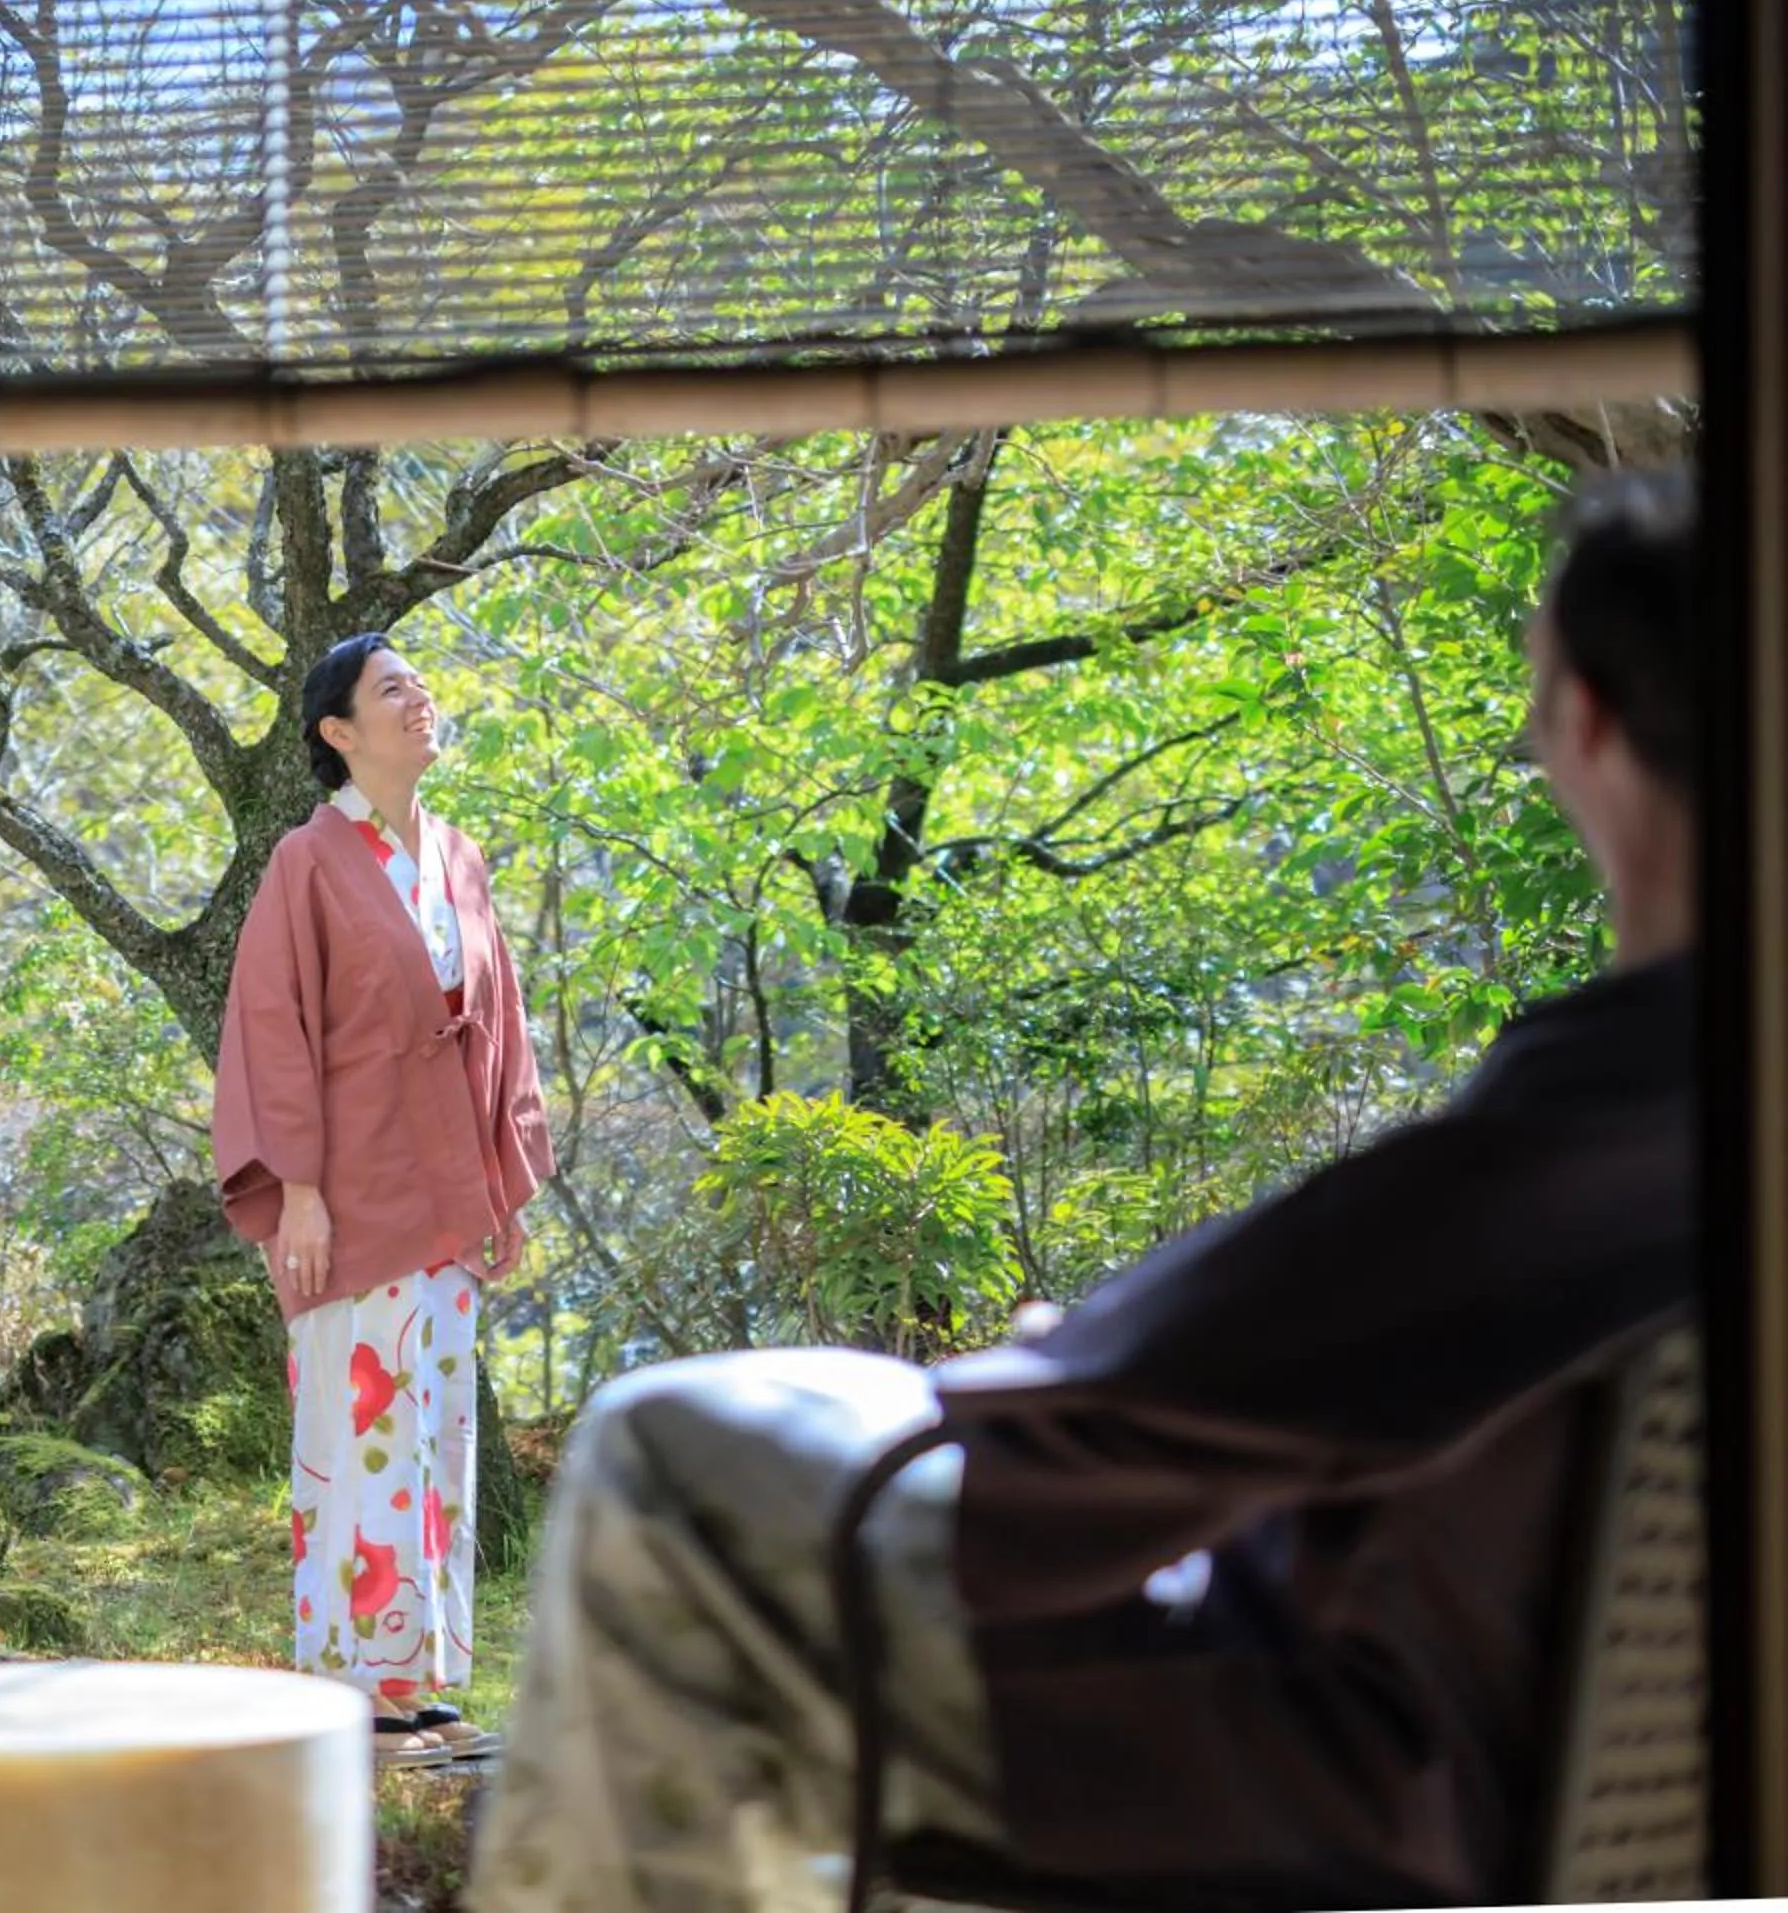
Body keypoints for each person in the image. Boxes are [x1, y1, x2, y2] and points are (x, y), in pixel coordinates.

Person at [470, 466, 1700, 1910]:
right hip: (1595, 1760)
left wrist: (1052, 1355)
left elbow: (1089, 1433)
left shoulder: (1612, 1114)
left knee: (661, 1458)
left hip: (1368, 1761)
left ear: (1593, 722)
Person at [213, 632, 556, 1768]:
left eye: (421, 685)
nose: (420, 701)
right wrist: (297, 1192)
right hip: (349, 1190)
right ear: (339, 732)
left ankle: (426, 1680)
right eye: (391, 690)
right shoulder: (305, 862)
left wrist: (500, 1177)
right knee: (354, 1429)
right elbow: (273, 1026)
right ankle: (354, 1685)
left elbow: (496, 1027)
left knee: (437, 1432)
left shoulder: (456, 855)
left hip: (448, 1186)